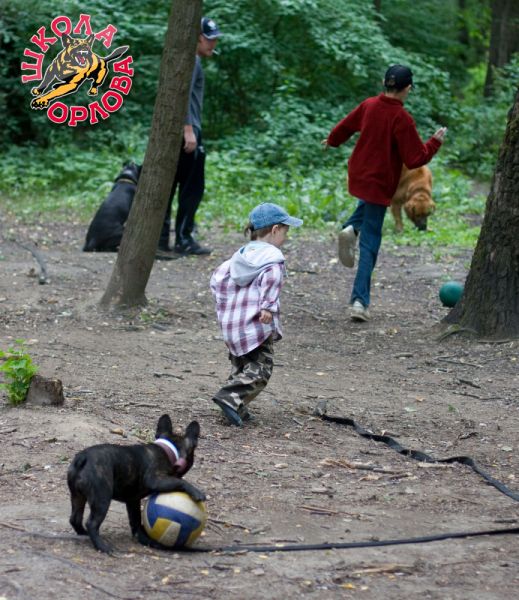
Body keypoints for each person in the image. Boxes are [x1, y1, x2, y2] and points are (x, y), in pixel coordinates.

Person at [323, 64, 447, 322]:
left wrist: (332, 140)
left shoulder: (369, 105)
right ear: (407, 88)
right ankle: (359, 301)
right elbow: (415, 159)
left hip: (360, 173)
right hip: (380, 183)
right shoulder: (402, 118)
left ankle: (351, 227)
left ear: (384, 83)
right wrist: (435, 142)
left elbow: (346, 126)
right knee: (370, 244)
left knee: (366, 207)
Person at [209, 203, 303, 426]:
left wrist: (226, 308)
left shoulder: (239, 257)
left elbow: (217, 280)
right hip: (255, 327)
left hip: (234, 327)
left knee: (242, 368)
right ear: (275, 229)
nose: (285, 237)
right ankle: (229, 398)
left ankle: (236, 408)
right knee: (261, 369)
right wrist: (267, 306)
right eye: (285, 231)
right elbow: (272, 279)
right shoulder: (272, 259)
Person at [157, 17, 222, 258]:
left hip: (182, 131)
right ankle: (183, 239)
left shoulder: (188, 61)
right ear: (197, 38)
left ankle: (162, 238)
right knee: (191, 188)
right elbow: (181, 95)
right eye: (210, 39)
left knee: (172, 185)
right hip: (188, 132)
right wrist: (188, 130)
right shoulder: (191, 62)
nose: (213, 44)